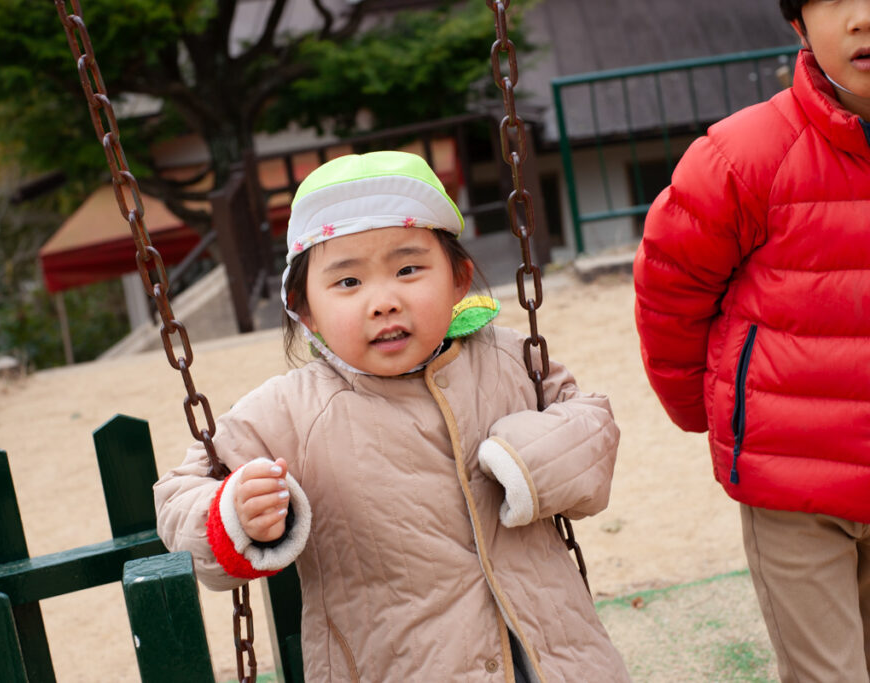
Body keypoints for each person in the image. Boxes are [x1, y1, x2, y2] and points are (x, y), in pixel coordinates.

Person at [155, 151, 628, 682]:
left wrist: (525, 460)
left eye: (408, 270)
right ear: (305, 309)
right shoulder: (292, 410)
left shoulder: (506, 358)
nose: (383, 301)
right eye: (348, 282)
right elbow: (178, 495)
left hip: (554, 657)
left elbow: (591, 425)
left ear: (458, 280)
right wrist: (233, 514)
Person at [634, 1, 870, 681]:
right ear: (798, 24)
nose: (862, 17)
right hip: (794, 483)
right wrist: (708, 412)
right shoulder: (743, 156)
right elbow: (670, 292)